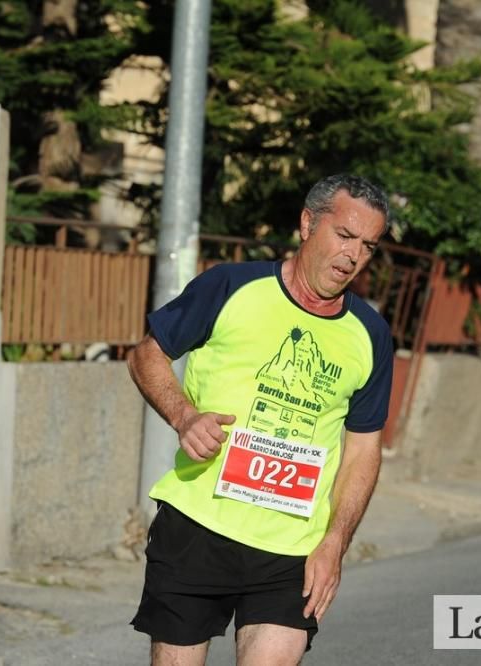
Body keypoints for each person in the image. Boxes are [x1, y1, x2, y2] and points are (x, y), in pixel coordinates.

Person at [126, 174, 393, 665]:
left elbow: (363, 449)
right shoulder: (231, 285)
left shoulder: (369, 333)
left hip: (291, 548)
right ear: (308, 223)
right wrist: (184, 416)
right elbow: (147, 354)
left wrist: (335, 541)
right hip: (199, 525)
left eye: (369, 247)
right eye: (345, 236)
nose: (353, 256)